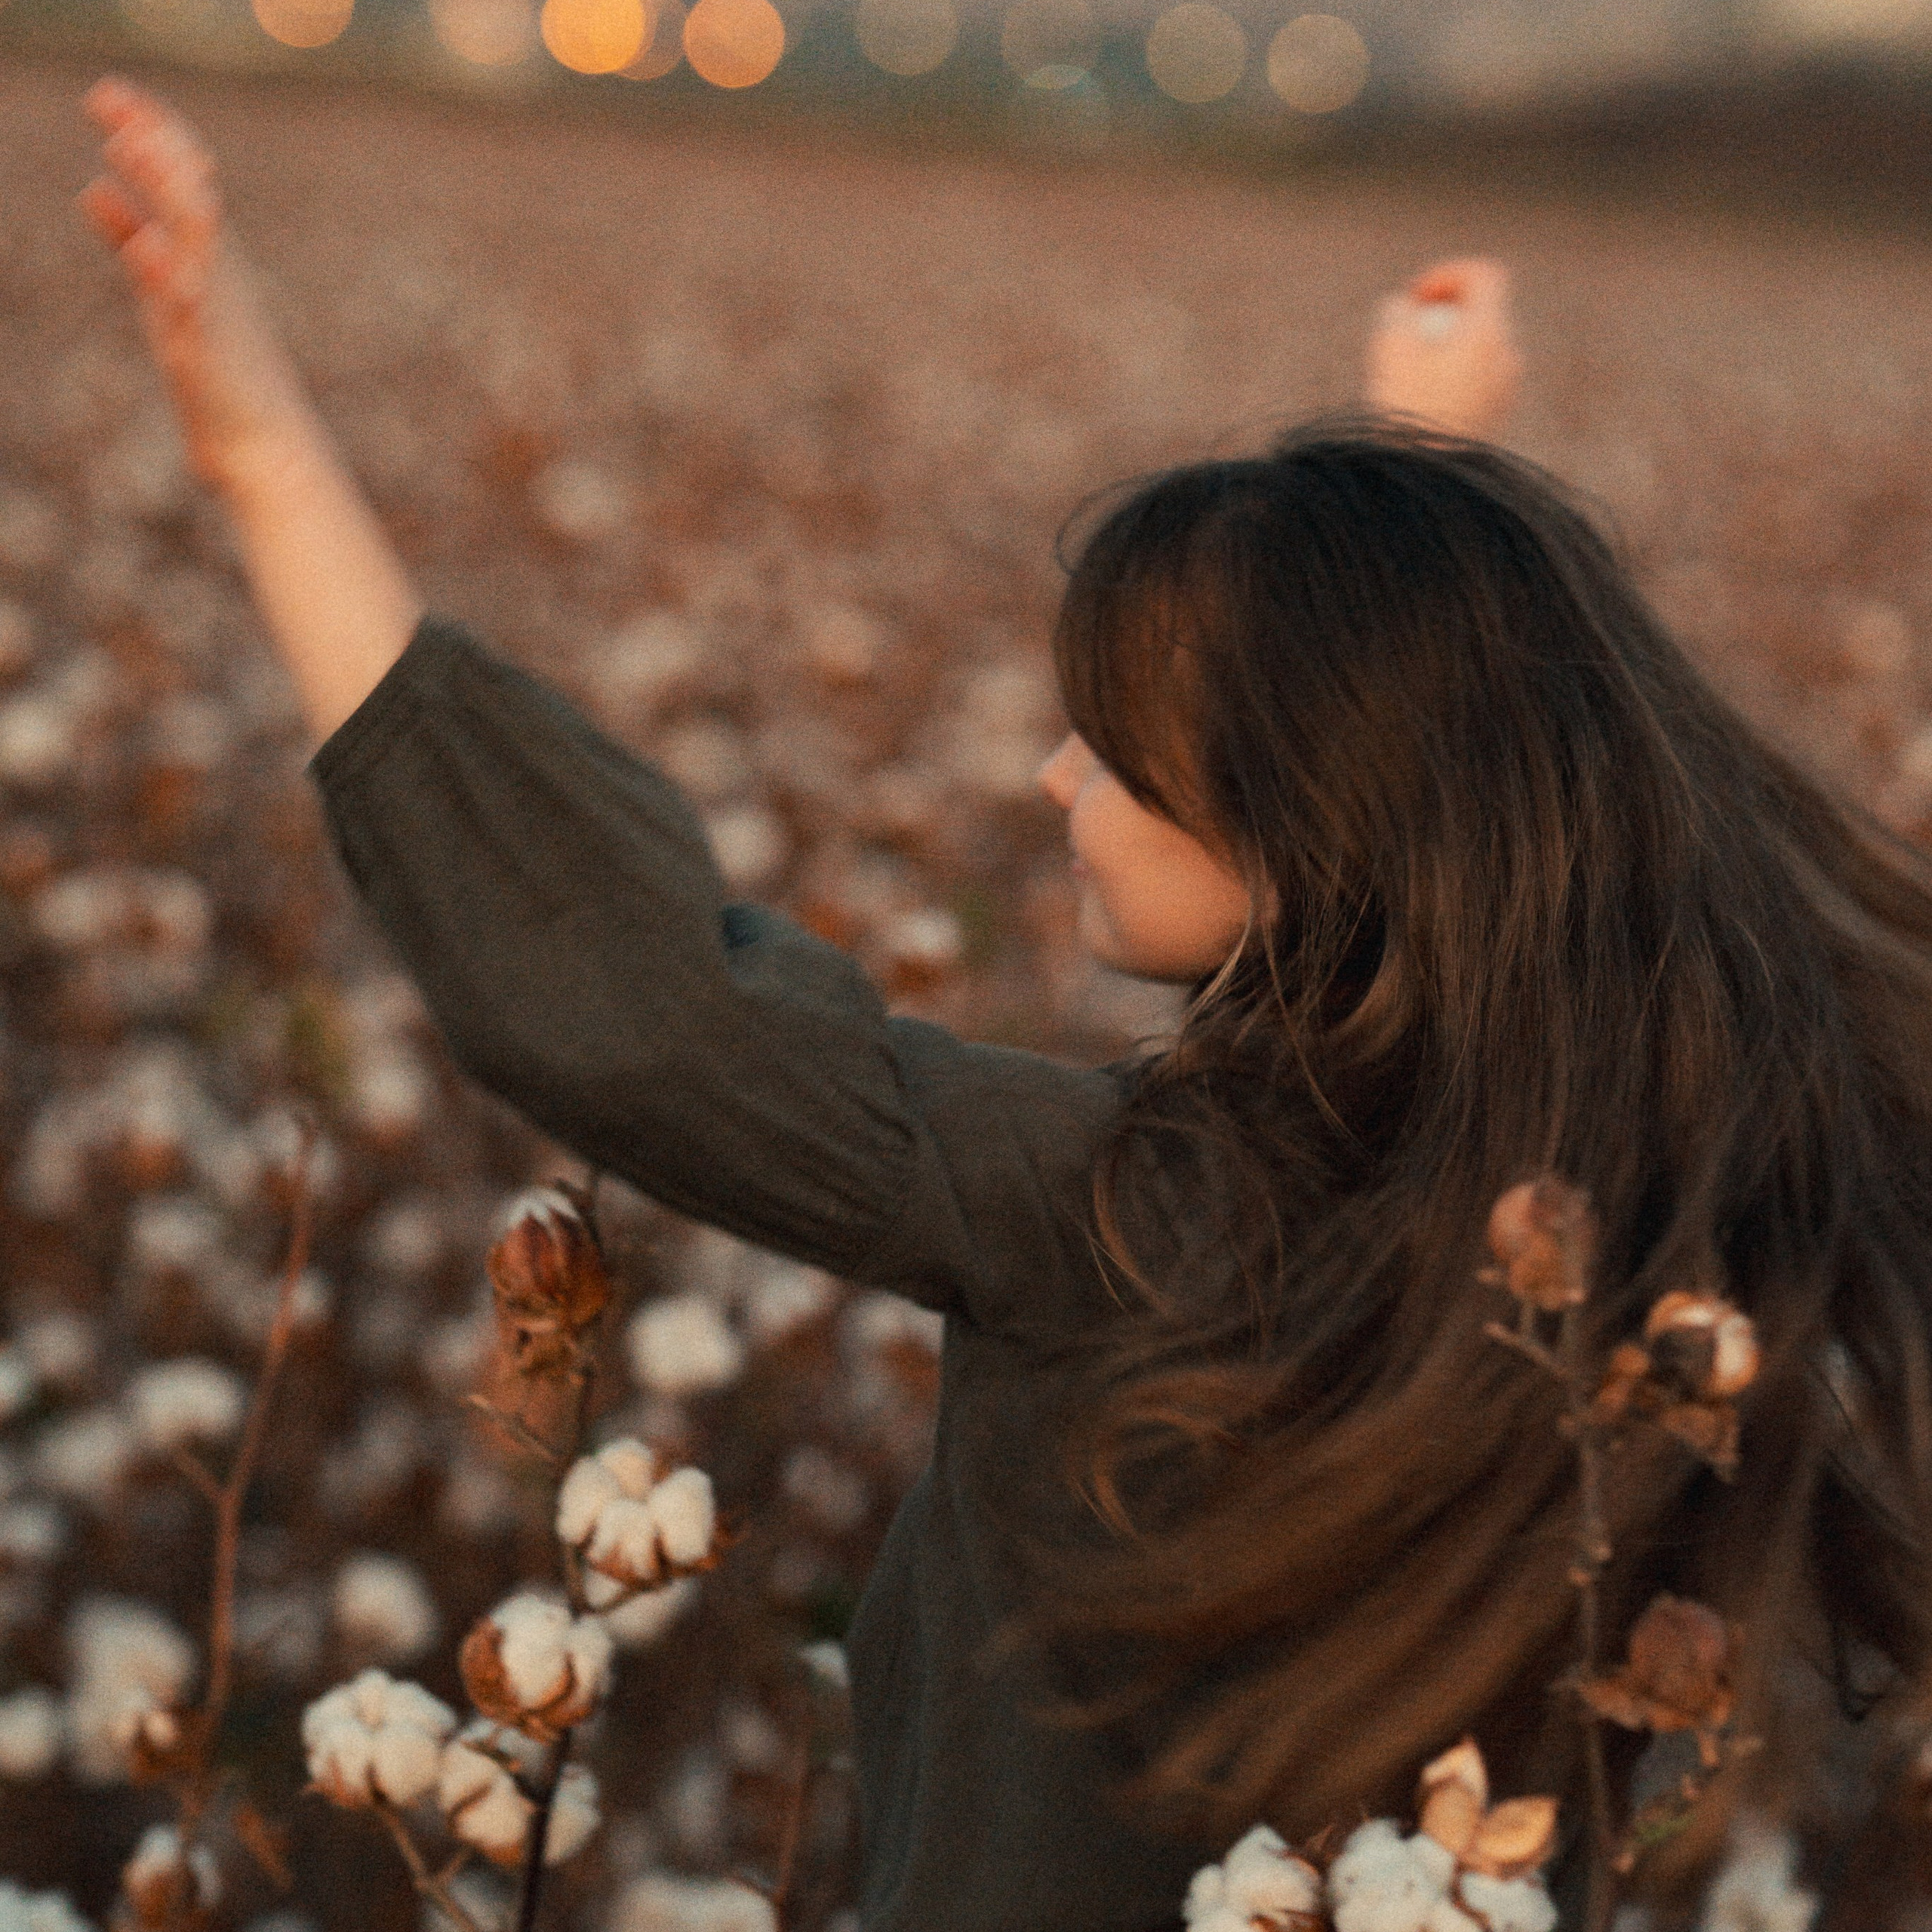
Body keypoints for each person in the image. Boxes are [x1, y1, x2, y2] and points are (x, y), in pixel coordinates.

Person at [75, 74, 1932, 1930]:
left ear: (1311, 833)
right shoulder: (1642, 1238)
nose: (1053, 777)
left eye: (1115, 754)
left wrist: (251, 441)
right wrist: (1407, 478)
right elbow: (1436, 733)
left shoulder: (1123, 1216)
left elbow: (636, 1006)